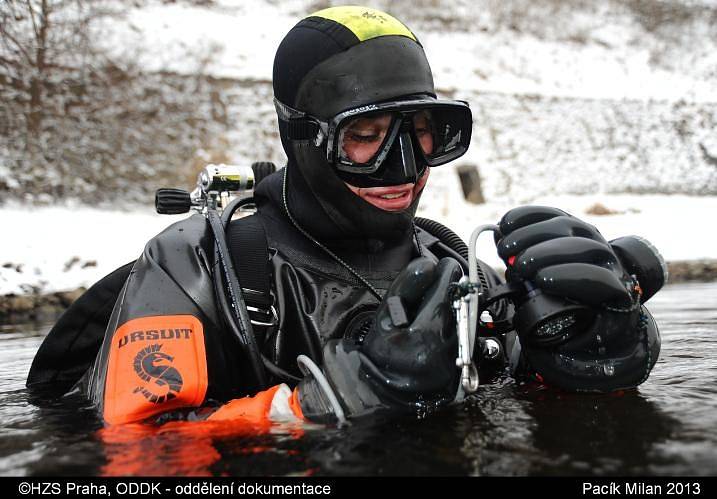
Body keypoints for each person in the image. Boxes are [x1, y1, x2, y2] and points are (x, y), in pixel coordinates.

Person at [27, 6, 663, 426]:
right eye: (367, 135)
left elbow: (541, 408)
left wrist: (598, 353)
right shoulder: (196, 267)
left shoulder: (454, 268)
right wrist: (334, 399)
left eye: (421, 131)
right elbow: (128, 456)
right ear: (300, 137)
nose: (403, 167)